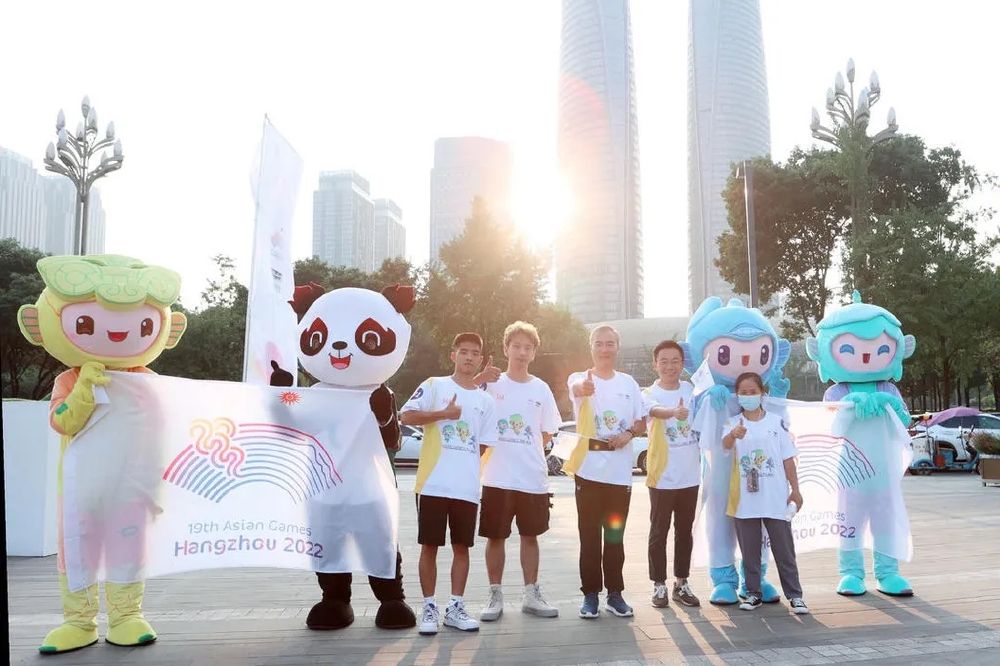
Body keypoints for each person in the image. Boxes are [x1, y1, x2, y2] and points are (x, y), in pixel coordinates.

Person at [400, 333, 498, 635]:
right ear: (453, 355)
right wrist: (444, 414)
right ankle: (429, 607)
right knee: (429, 546)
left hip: (466, 488)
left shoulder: (486, 401)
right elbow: (406, 415)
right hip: (432, 484)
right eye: (464, 351)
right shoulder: (435, 385)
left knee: (462, 548)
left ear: (480, 359)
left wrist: (463, 464)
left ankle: (455, 607)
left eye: (475, 353)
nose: (469, 357)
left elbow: (483, 444)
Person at [478, 322, 561, 622]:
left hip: (531, 478)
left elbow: (547, 432)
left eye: (528, 347)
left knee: (530, 536)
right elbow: (466, 404)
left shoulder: (541, 388)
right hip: (496, 476)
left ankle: (531, 595)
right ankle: (495, 595)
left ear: (534, 352)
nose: (522, 352)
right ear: (506, 349)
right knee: (495, 537)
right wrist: (479, 379)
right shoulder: (490, 384)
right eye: (516, 346)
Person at [564, 325, 646, 619]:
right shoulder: (579, 377)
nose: (604, 349)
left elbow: (641, 422)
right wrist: (583, 388)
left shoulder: (629, 384)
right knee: (589, 537)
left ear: (617, 347)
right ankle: (590, 595)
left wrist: (628, 434)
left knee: (614, 536)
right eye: (599, 343)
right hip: (589, 472)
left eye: (610, 343)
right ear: (591, 347)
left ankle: (615, 593)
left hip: (619, 474)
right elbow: (576, 389)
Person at [721, 372, 809, 614]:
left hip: (775, 497)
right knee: (749, 551)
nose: (748, 396)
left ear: (762, 393)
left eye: (753, 391)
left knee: (784, 549)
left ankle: (795, 595)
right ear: (737, 396)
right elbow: (724, 446)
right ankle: (753, 593)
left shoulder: (776, 422)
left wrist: (796, 490)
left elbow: (788, 458)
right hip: (744, 499)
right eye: (743, 392)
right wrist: (733, 435)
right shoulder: (733, 422)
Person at [642, 340, 701, 608]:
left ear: (682, 364)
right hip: (662, 476)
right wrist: (674, 412)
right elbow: (654, 411)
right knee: (659, 531)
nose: (669, 366)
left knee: (684, 532)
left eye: (675, 361)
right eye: (664, 361)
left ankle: (681, 583)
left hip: (690, 475)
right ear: (655, 364)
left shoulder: (691, 390)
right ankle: (658, 585)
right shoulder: (648, 393)